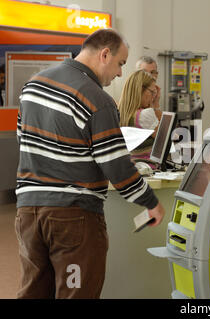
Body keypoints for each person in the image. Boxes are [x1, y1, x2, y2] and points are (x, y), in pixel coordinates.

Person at [15, 28, 165, 299]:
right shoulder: (97, 99)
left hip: (28, 214)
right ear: (104, 54)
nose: (120, 73)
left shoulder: (32, 86)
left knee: (33, 292)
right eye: (120, 63)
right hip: (73, 219)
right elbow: (116, 166)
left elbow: (24, 140)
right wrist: (150, 202)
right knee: (76, 293)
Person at [118, 69, 160, 161]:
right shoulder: (145, 114)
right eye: (152, 92)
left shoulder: (119, 113)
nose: (153, 97)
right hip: (150, 167)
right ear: (140, 90)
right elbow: (164, 141)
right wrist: (156, 104)